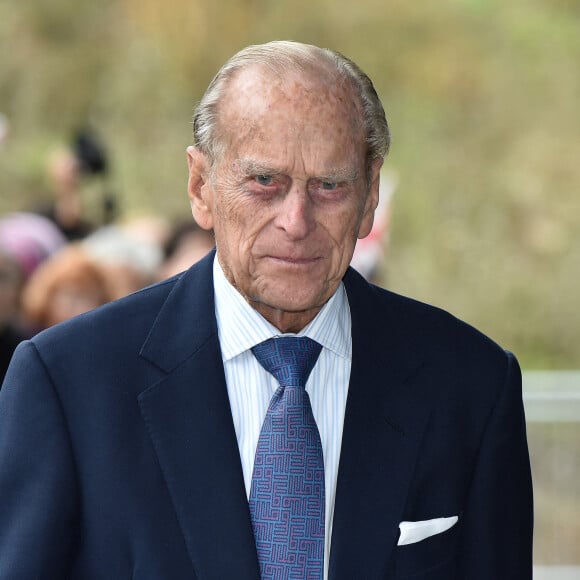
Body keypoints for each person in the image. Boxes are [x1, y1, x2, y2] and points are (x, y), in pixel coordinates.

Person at [0, 41, 533, 579]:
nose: (296, 221)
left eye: (329, 185)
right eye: (264, 182)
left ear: (370, 195)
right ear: (200, 186)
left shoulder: (471, 386)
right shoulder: (69, 384)